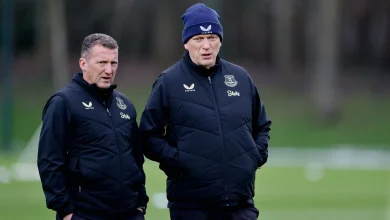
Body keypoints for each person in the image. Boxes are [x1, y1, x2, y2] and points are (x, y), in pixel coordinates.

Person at [139, 3, 271, 220]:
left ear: (220, 40)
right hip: (191, 206)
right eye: (198, 39)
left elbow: (262, 124)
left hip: (240, 203)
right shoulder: (169, 82)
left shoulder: (240, 78)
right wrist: (179, 161)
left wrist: (254, 156)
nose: (206, 46)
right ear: (186, 43)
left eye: (212, 38)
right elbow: (148, 135)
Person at [37, 33, 148, 220]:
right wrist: (66, 212)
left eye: (113, 63)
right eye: (102, 63)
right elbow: (50, 161)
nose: (108, 70)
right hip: (85, 214)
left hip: (129, 213)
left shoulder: (125, 104)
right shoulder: (63, 103)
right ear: (83, 64)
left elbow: (136, 159)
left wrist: (140, 204)